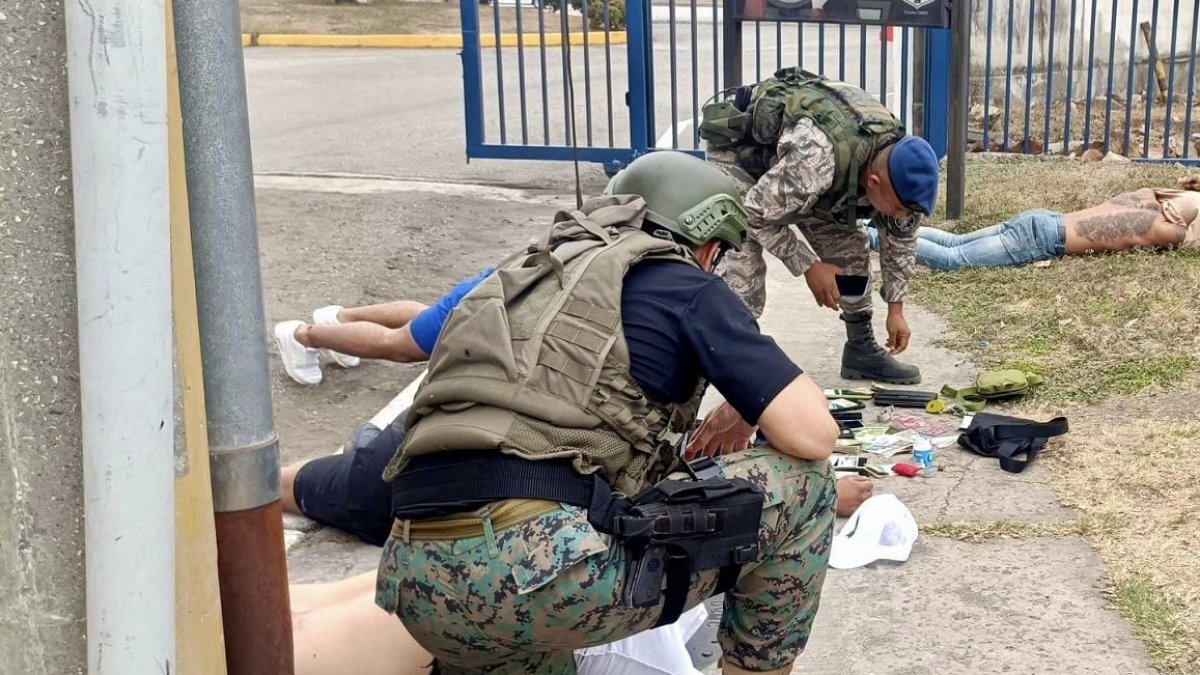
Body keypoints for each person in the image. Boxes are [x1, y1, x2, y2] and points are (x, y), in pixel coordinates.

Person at [373, 150, 841, 675]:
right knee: (806, 485)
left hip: (412, 576)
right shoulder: (681, 281)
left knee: (530, 622)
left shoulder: (518, 278)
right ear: (707, 243)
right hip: (539, 572)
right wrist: (746, 404)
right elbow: (813, 434)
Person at [699, 67, 941, 385]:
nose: (899, 215)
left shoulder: (902, 172)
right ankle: (731, 361)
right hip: (741, 159)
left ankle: (861, 349)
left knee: (851, 254)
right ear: (873, 182)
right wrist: (809, 265)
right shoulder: (815, 161)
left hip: (803, 179)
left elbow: (900, 238)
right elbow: (753, 213)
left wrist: (896, 308)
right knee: (742, 272)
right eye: (896, 207)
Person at [867, 180, 1200, 270]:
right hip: (1044, 240)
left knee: (954, 242)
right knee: (954, 261)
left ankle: (874, 229)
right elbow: (1186, 239)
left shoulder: (1148, 196)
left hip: (1042, 219)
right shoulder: (1166, 228)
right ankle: (866, 238)